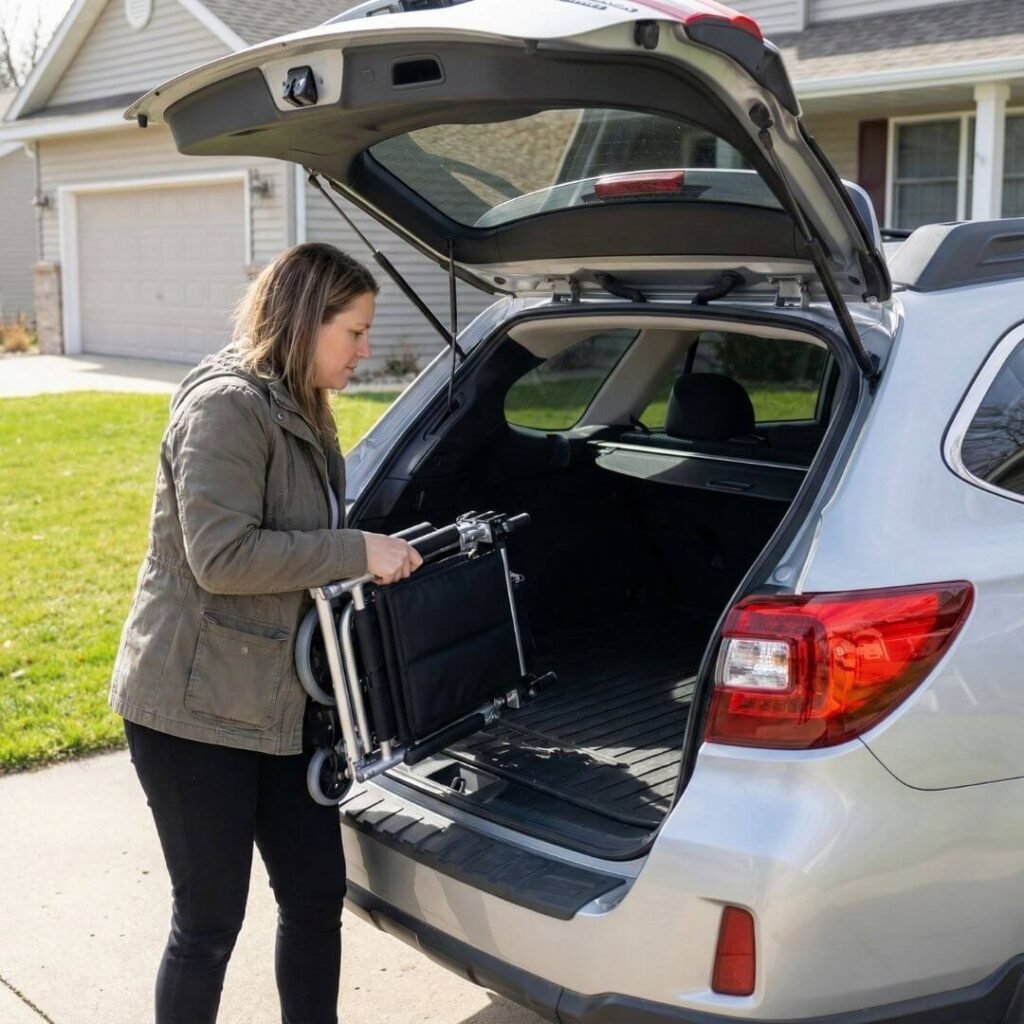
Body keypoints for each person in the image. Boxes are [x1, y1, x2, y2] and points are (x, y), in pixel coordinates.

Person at [108, 242, 423, 1024]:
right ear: (306, 320)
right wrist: (355, 551)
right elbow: (221, 558)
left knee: (315, 898)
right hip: (191, 712)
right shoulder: (227, 407)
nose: (364, 349)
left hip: (280, 709)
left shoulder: (300, 405)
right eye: (353, 331)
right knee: (209, 923)